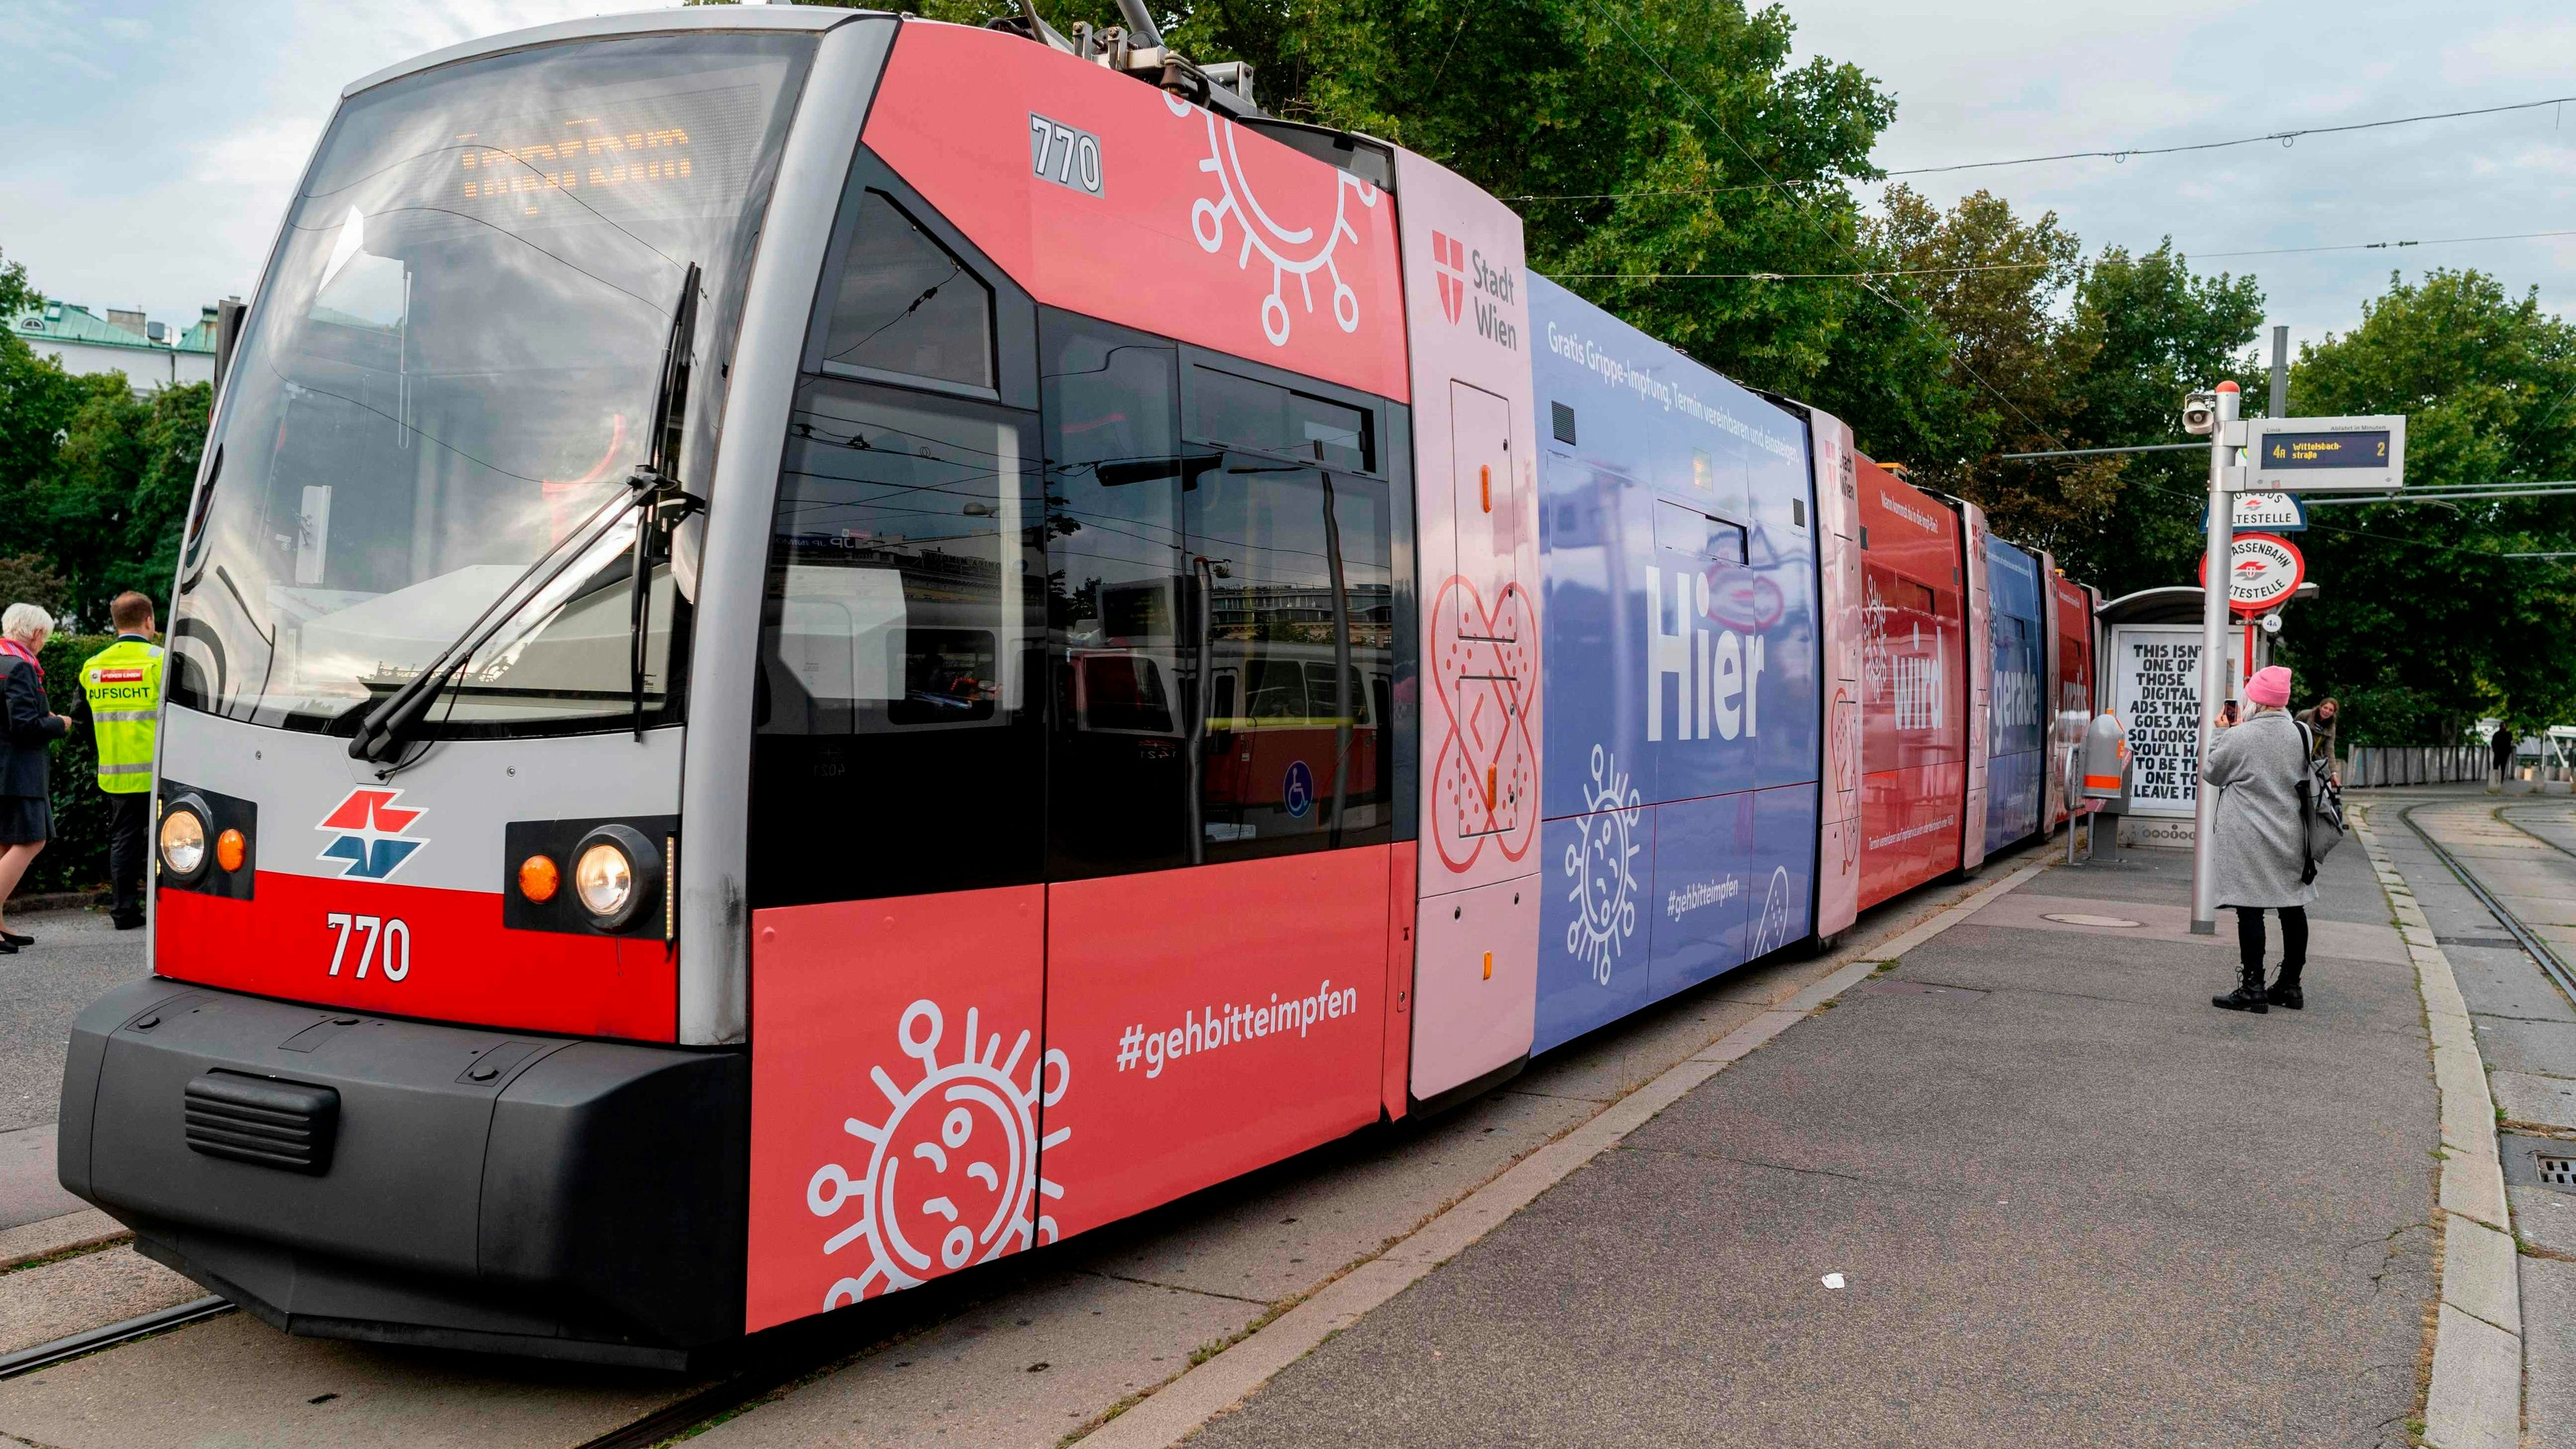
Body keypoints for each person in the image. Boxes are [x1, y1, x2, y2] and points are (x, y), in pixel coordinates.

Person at [2203, 665, 2315, 1013]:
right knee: (2292, 908)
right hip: (2291, 834)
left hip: (2248, 835)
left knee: (2250, 910)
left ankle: (2253, 988)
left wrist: (2221, 733)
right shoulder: (2302, 733)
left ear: (2256, 700)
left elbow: (2212, 772)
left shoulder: (2240, 737)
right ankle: (2291, 986)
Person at [71, 593, 162, 931]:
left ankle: (124, 913)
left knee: (124, 842)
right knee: (170, 842)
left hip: (117, 774)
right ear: (149, 620)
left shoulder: (94, 666)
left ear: (115, 623)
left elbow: (79, 719)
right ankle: (167, 913)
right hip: (161, 773)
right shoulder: (160, 661)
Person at [0, 604, 70, 954]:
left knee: (3, 844)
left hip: (4, 770)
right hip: (18, 772)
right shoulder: (21, 668)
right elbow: (25, 725)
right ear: (37, 634)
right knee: (31, 841)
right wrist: (60, 724)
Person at [2295, 696, 2339, 782]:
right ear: (2320, 706)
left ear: (2333, 713)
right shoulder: (2305, 715)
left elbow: (2329, 750)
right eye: (2325, 708)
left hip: (2314, 759)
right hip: (2298, 753)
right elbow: (2291, 732)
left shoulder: (2331, 727)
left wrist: (2334, 773)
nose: (2327, 711)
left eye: (2331, 710)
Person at [2492, 721, 2517, 788]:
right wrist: (2509, 751)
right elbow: (2511, 743)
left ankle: (2495, 779)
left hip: (2498, 753)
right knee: (2503, 767)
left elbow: (2493, 744)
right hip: (2504, 753)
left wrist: (2495, 751)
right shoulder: (2509, 734)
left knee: (2496, 767)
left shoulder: (2496, 734)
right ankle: (2501, 779)